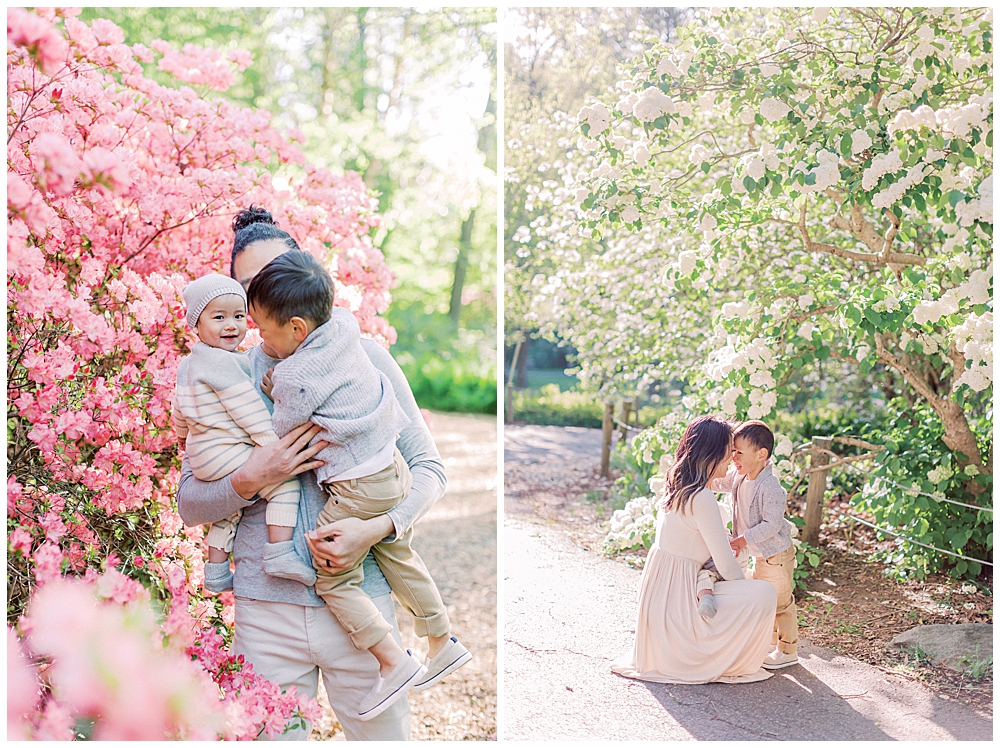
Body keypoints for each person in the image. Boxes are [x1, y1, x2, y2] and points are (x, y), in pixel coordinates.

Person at [176, 206, 447, 741]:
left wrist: (377, 527)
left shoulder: (363, 359)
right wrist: (250, 477)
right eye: (252, 283)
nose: (270, 288)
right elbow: (190, 503)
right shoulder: (225, 374)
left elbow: (429, 468)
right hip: (264, 614)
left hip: (360, 605)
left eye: (282, 270)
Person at [246, 251, 471, 721]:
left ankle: (392, 660)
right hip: (387, 471)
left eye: (263, 325)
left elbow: (286, 424)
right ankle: (441, 639)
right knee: (398, 555)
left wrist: (273, 388)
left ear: (296, 328)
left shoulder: (294, 370)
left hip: (355, 488)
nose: (255, 333)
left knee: (330, 570)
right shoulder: (346, 329)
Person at [173, 274, 315, 592]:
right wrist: (271, 448)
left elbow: (178, 408)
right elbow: (247, 411)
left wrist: (182, 435)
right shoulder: (226, 364)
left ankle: (216, 571)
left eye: (239, 316)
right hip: (226, 452)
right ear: (196, 324)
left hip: (203, 458)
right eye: (219, 317)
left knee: (233, 507)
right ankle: (280, 552)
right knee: (283, 484)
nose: (231, 325)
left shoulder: (188, 365)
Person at [612, 416, 777, 684]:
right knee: (763, 593)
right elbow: (725, 566)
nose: (732, 457)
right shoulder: (701, 498)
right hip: (678, 602)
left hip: (664, 596)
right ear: (711, 454)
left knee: (747, 587)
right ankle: (729, 659)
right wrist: (744, 588)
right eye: (728, 451)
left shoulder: (679, 486)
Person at [713, 419, 798, 670]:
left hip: (777, 556)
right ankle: (771, 645)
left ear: (762, 454)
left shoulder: (771, 487)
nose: (733, 457)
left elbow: (772, 524)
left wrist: (742, 540)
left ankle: (788, 649)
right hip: (761, 556)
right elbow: (719, 482)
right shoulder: (741, 478)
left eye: (739, 452)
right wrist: (700, 477)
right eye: (733, 451)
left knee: (781, 603)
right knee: (766, 600)